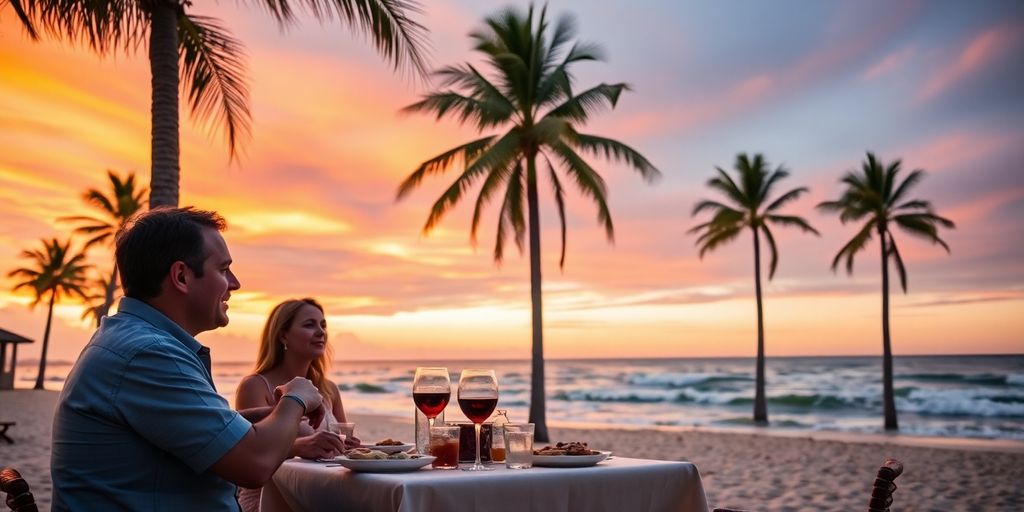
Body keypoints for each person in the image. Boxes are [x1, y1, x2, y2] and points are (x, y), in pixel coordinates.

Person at [51, 207, 325, 511]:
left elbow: (180, 431)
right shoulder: (149, 354)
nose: (234, 283)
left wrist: (263, 418)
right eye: (223, 269)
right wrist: (297, 397)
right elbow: (254, 465)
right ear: (181, 276)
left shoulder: (133, 341)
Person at [234, 298, 357, 512]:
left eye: (323, 325)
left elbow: (344, 448)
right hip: (270, 499)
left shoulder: (329, 390)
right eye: (309, 325)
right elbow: (252, 453)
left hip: (322, 493)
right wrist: (301, 447)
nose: (321, 332)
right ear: (283, 335)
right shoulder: (256, 385)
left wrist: (350, 448)